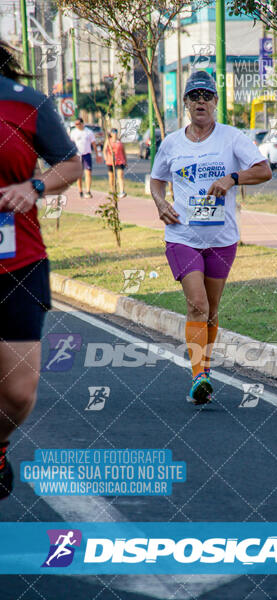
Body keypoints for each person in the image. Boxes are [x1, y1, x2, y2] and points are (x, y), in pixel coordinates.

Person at [150, 70, 272, 405]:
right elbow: (157, 180)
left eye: (207, 95)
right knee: (197, 303)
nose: (200, 101)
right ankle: (198, 375)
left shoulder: (232, 138)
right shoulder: (172, 143)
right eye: (194, 96)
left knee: (213, 309)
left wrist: (232, 178)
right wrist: (161, 203)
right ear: (186, 103)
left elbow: (264, 170)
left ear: (216, 102)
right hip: (182, 235)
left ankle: (203, 370)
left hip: (222, 238)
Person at [0, 40, 81, 499]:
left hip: (18, 264)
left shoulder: (26, 103)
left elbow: (70, 163)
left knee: (17, 393)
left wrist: (34, 186)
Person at [70, 117, 101, 198]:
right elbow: (70, 143)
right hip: (77, 155)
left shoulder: (88, 132)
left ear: (82, 123)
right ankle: (80, 191)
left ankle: (88, 191)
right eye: (75, 124)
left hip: (87, 154)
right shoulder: (73, 132)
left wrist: (97, 155)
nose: (77, 125)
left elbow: (94, 143)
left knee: (88, 173)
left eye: (78, 124)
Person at [103, 128, 128, 198]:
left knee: (120, 176)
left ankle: (122, 191)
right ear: (111, 133)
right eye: (113, 132)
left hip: (120, 161)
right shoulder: (108, 141)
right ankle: (113, 191)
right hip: (110, 161)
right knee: (111, 177)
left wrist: (125, 161)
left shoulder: (120, 141)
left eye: (116, 132)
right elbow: (104, 150)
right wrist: (105, 158)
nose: (115, 134)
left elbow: (124, 151)